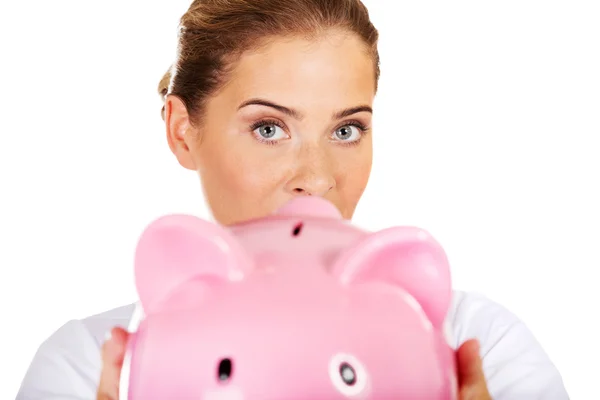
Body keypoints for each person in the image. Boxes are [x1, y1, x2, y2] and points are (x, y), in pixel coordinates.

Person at [16, 0, 569, 399]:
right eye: (269, 128)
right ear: (184, 132)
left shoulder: (481, 346)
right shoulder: (82, 366)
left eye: (347, 130)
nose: (318, 180)